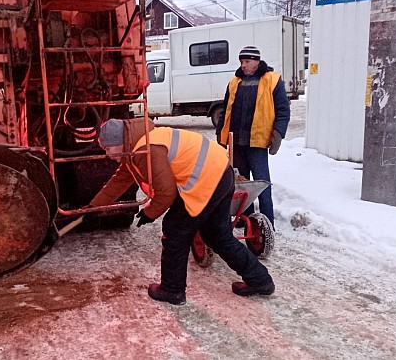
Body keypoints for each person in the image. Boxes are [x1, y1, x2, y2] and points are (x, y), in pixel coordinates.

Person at [89, 117, 275, 306]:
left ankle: (172, 290)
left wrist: (149, 213)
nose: (107, 154)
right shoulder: (137, 145)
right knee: (218, 236)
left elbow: (167, 192)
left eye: (108, 148)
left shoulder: (147, 149)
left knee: (175, 231)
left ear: (119, 142)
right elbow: (120, 179)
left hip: (207, 179)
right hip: (221, 172)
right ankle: (260, 280)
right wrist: (94, 207)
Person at [217, 45, 290, 229]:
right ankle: (245, 219)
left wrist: (278, 133)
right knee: (241, 185)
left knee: (262, 185)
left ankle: (267, 225)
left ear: (257, 62)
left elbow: (283, 110)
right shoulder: (234, 82)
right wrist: (220, 134)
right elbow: (225, 110)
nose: (243, 65)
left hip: (257, 143)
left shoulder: (272, 81)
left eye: (247, 61)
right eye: (241, 62)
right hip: (237, 143)